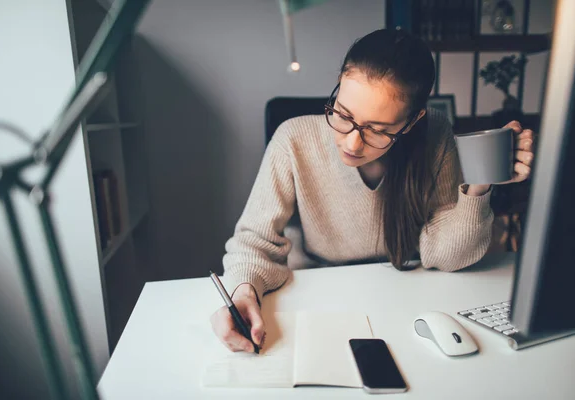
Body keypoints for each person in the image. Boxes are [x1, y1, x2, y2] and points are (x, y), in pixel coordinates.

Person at [210, 28, 534, 353]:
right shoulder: (292, 139)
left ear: (412, 121)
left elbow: (445, 255)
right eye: (343, 114)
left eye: (378, 131)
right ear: (339, 83)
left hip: (407, 303)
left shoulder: (435, 134)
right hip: (316, 300)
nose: (352, 143)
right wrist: (243, 291)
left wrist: (480, 184)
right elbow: (254, 242)